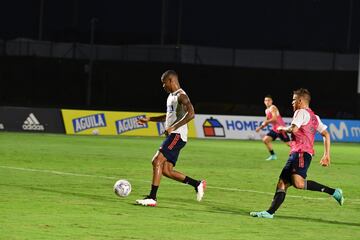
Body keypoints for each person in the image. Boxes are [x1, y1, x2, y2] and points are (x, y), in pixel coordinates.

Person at [250, 88, 344, 219]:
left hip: (300, 153)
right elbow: (326, 134)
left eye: (294, 100)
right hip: (300, 153)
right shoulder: (314, 117)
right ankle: (269, 213)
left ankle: (334, 192)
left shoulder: (300, 112)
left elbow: (293, 129)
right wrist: (326, 154)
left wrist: (282, 128)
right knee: (282, 182)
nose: (292, 102)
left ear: (300, 101)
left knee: (298, 183)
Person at [135, 70, 206, 207]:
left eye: (164, 83)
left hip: (177, 136)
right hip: (175, 136)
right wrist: (149, 119)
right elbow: (167, 116)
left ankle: (152, 198)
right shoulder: (171, 96)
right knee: (166, 171)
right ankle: (197, 184)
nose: (163, 86)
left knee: (156, 161)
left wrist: (174, 127)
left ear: (171, 81)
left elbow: (191, 114)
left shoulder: (181, 96)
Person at [255, 95, 291, 161]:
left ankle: (304, 150)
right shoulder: (266, 110)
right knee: (265, 140)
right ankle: (273, 156)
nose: (267, 102)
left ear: (271, 101)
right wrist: (260, 128)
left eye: (269, 100)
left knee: (289, 144)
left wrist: (266, 121)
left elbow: (274, 119)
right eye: (266, 100)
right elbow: (266, 122)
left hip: (280, 128)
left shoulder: (273, 107)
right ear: (264, 102)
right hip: (274, 129)